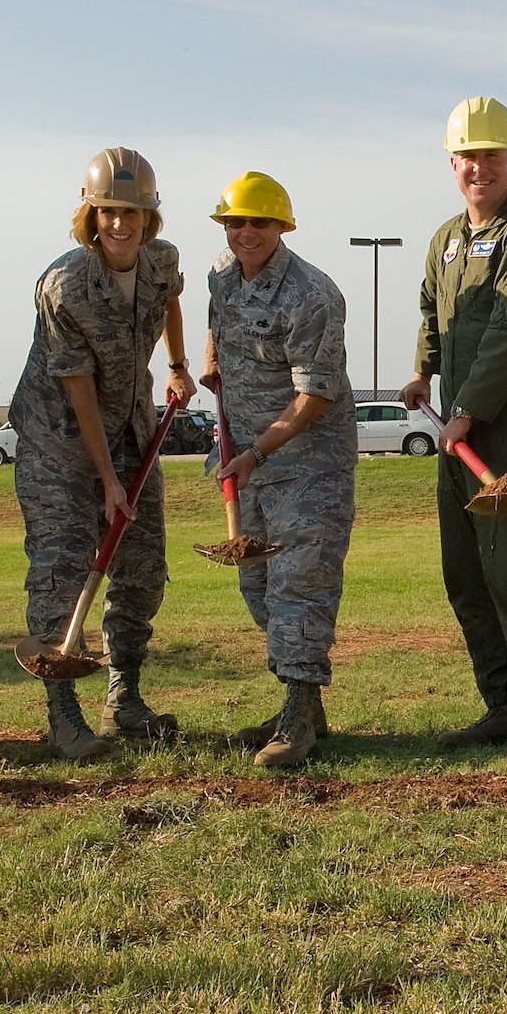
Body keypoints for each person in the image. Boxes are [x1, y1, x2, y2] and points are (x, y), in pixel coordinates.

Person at [398, 98, 507, 766]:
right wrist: (424, 369)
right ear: (453, 163)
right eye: (467, 156)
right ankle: (501, 704)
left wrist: (467, 404)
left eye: (490, 155)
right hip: (458, 441)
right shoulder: (446, 239)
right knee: (468, 577)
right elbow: (431, 309)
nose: (479, 167)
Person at [9, 149, 196, 760]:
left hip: (129, 429)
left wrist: (177, 365)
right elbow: (78, 387)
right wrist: (108, 479)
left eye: (133, 213)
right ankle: (62, 714)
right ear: (91, 214)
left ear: (150, 218)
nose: (121, 224)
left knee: (141, 565)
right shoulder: (64, 285)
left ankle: (125, 697)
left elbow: (171, 292)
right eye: (110, 212)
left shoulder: (161, 260)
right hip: (60, 439)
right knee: (63, 568)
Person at [204, 171, 357, 769]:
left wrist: (256, 451)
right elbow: (217, 316)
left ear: (282, 227)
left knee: (301, 582)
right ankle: (302, 703)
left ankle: (299, 716)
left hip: (307, 463)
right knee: (257, 582)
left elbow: (314, 396)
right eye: (235, 222)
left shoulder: (311, 295)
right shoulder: (222, 272)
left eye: (259, 223)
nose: (246, 233)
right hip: (251, 459)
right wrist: (213, 361)